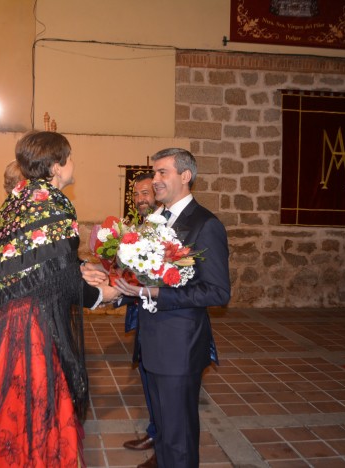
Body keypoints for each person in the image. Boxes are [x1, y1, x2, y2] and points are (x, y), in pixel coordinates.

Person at [0, 131, 117, 467]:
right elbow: (58, 279)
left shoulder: (18, 199)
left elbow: (40, 258)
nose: (73, 163)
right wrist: (102, 294)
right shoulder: (56, 203)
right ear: (57, 166)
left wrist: (82, 266)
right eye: (70, 157)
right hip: (28, 324)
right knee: (28, 404)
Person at [115, 148, 231, 468]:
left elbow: (218, 292)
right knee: (164, 430)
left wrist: (156, 294)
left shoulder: (205, 224)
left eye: (162, 173)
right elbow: (143, 276)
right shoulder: (155, 221)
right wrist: (119, 291)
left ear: (185, 176)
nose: (155, 180)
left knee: (178, 436)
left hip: (180, 343)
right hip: (151, 340)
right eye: (154, 173)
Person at [122, 171, 160, 461]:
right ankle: (155, 431)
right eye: (136, 194)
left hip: (162, 316)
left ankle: (159, 436)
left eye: (145, 193)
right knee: (148, 374)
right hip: (143, 310)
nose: (140, 199)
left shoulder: (164, 226)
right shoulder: (142, 225)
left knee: (159, 379)